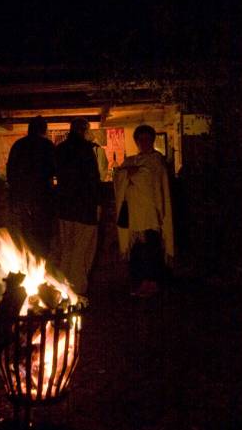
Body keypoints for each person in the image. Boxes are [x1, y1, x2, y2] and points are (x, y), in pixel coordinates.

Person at [114, 124, 174, 298]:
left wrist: (131, 174)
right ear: (137, 141)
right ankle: (140, 283)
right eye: (141, 139)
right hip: (133, 216)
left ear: (153, 140)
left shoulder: (157, 160)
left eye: (148, 139)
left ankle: (152, 284)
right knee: (137, 253)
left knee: (152, 250)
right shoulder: (131, 161)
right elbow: (119, 176)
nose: (144, 142)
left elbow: (147, 177)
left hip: (151, 215)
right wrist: (129, 173)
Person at [54, 118, 101, 298]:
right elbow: (92, 179)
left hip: (65, 206)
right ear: (85, 130)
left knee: (67, 248)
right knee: (83, 249)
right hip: (84, 206)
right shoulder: (87, 149)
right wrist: (97, 203)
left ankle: (62, 286)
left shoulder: (59, 149)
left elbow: (55, 174)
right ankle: (77, 289)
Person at [6, 116, 55, 255]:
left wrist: (15, 192)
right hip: (42, 196)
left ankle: (27, 262)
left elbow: (10, 172)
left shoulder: (18, 145)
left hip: (21, 197)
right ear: (43, 129)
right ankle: (41, 264)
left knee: (24, 234)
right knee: (42, 235)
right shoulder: (47, 145)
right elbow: (54, 169)